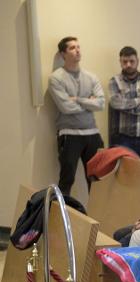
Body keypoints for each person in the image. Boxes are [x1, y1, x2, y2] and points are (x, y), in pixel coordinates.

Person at [48, 36, 105, 195]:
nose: (77, 50)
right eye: (72, 48)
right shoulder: (56, 78)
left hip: (92, 134)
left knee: (97, 179)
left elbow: (100, 103)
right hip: (69, 135)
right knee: (67, 179)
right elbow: (66, 107)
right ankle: (62, 218)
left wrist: (78, 100)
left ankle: (98, 217)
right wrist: (89, 103)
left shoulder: (91, 77)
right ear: (63, 54)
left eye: (78, 47)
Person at [108, 46, 140, 161]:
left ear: (137, 61)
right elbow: (115, 103)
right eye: (125, 61)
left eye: (132, 61)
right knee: (125, 174)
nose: (128, 64)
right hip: (123, 138)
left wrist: (126, 108)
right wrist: (138, 101)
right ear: (120, 62)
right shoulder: (114, 81)